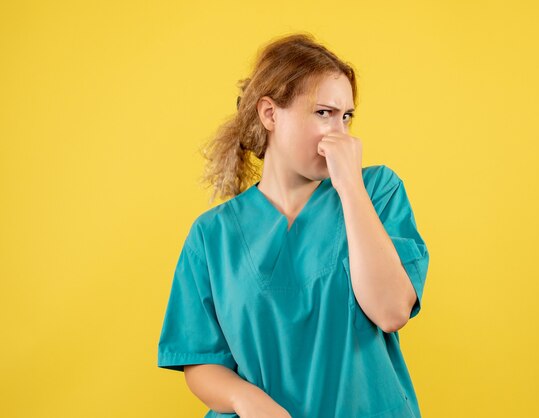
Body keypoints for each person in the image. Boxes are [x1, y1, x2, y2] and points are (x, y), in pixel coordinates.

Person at [157, 32, 430, 418]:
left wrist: (349, 185)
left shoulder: (378, 191)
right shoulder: (211, 236)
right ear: (270, 114)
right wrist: (247, 400)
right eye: (323, 113)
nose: (340, 132)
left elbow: (391, 311)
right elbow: (200, 360)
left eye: (346, 116)